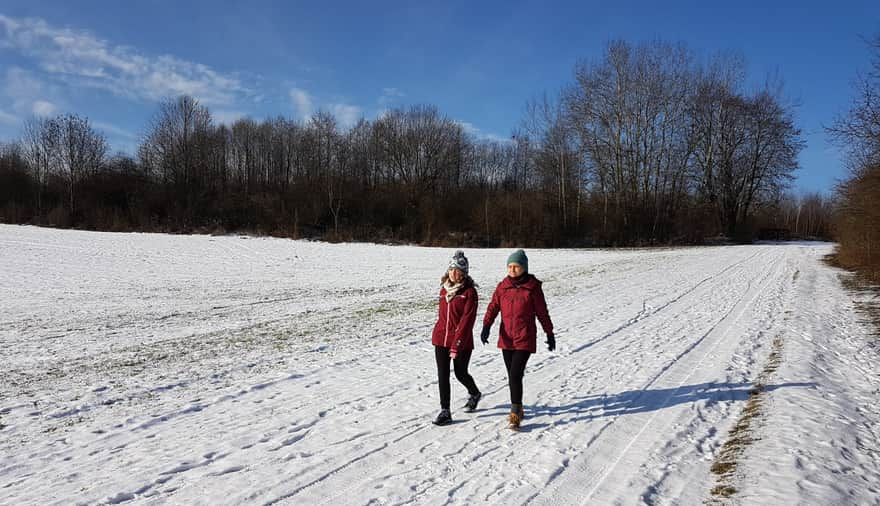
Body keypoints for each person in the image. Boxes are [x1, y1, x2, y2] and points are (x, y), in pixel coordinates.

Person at [481, 249, 555, 430]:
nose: (512, 270)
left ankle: (515, 413)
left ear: (524, 267)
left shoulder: (532, 288)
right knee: (513, 375)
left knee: (515, 374)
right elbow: (493, 307)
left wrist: (549, 333)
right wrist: (486, 326)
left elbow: (542, 312)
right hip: (506, 338)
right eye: (510, 266)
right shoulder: (502, 286)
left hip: (525, 337)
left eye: (516, 266)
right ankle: (519, 406)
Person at [431, 250, 482, 426]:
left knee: (460, 373)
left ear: (465, 272)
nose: (454, 273)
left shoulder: (469, 293)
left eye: (458, 270)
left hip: (462, 341)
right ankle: (445, 411)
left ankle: (474, 393)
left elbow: (467, 322)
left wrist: (457, 344)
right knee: (443, 375)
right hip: (441, 340)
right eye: (452, 269)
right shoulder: (444, 289)